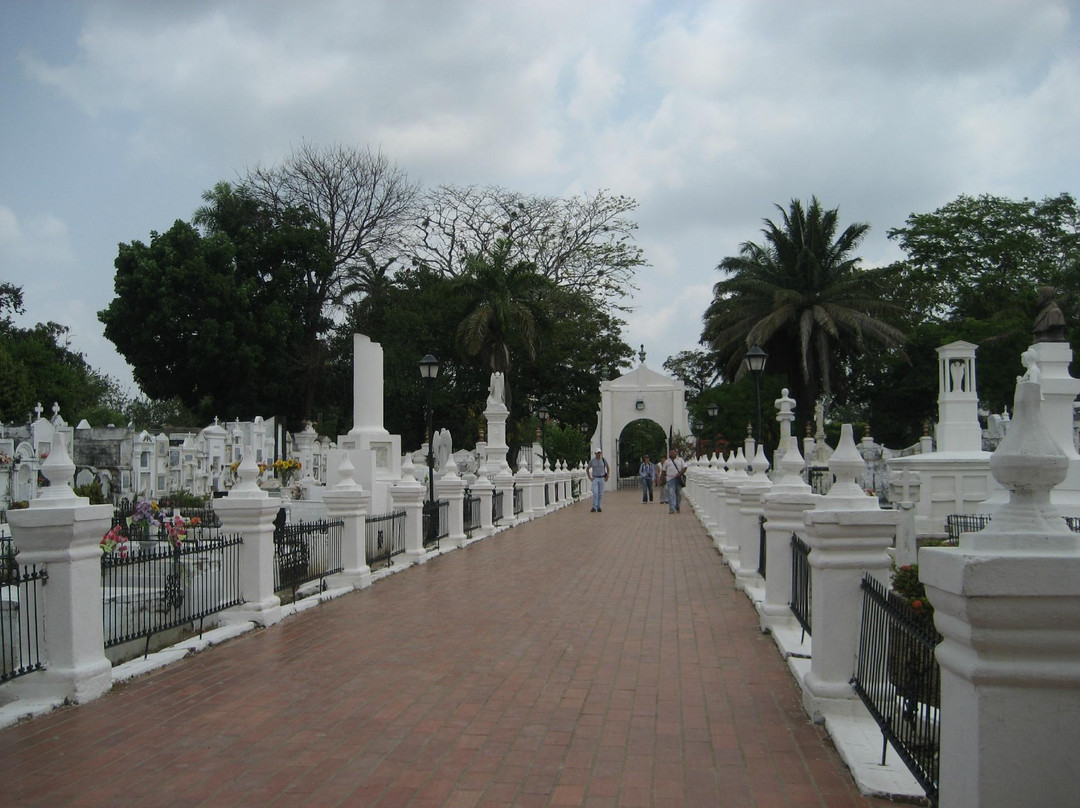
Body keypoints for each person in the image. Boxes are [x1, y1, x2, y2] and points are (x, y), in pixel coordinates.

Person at [662, 448, 688, 514]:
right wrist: (662, 479)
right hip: (670, 479)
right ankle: (672, 508)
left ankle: (677, 505)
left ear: (676, 453)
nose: (672, 454)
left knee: (679, 493)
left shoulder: (680, 460)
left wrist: (680, 474)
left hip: (678, 479)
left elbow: (685, 467)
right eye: (671, 452)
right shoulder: (667, 461)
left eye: (673, 452)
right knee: (671, 493)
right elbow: (663, 471)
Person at [586, 447, 609, 512]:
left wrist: (607, 476)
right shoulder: (592, 461)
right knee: (595, 493)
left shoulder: (603, 460)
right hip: (595, 478)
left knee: (600, 493)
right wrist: (589, 477)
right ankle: (594, 507)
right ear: (595, 454)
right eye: (597, 453)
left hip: (602, 478)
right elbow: (587, 469)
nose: (599, 454)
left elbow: (608, 467)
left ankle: (599, 506)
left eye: (600, 453)